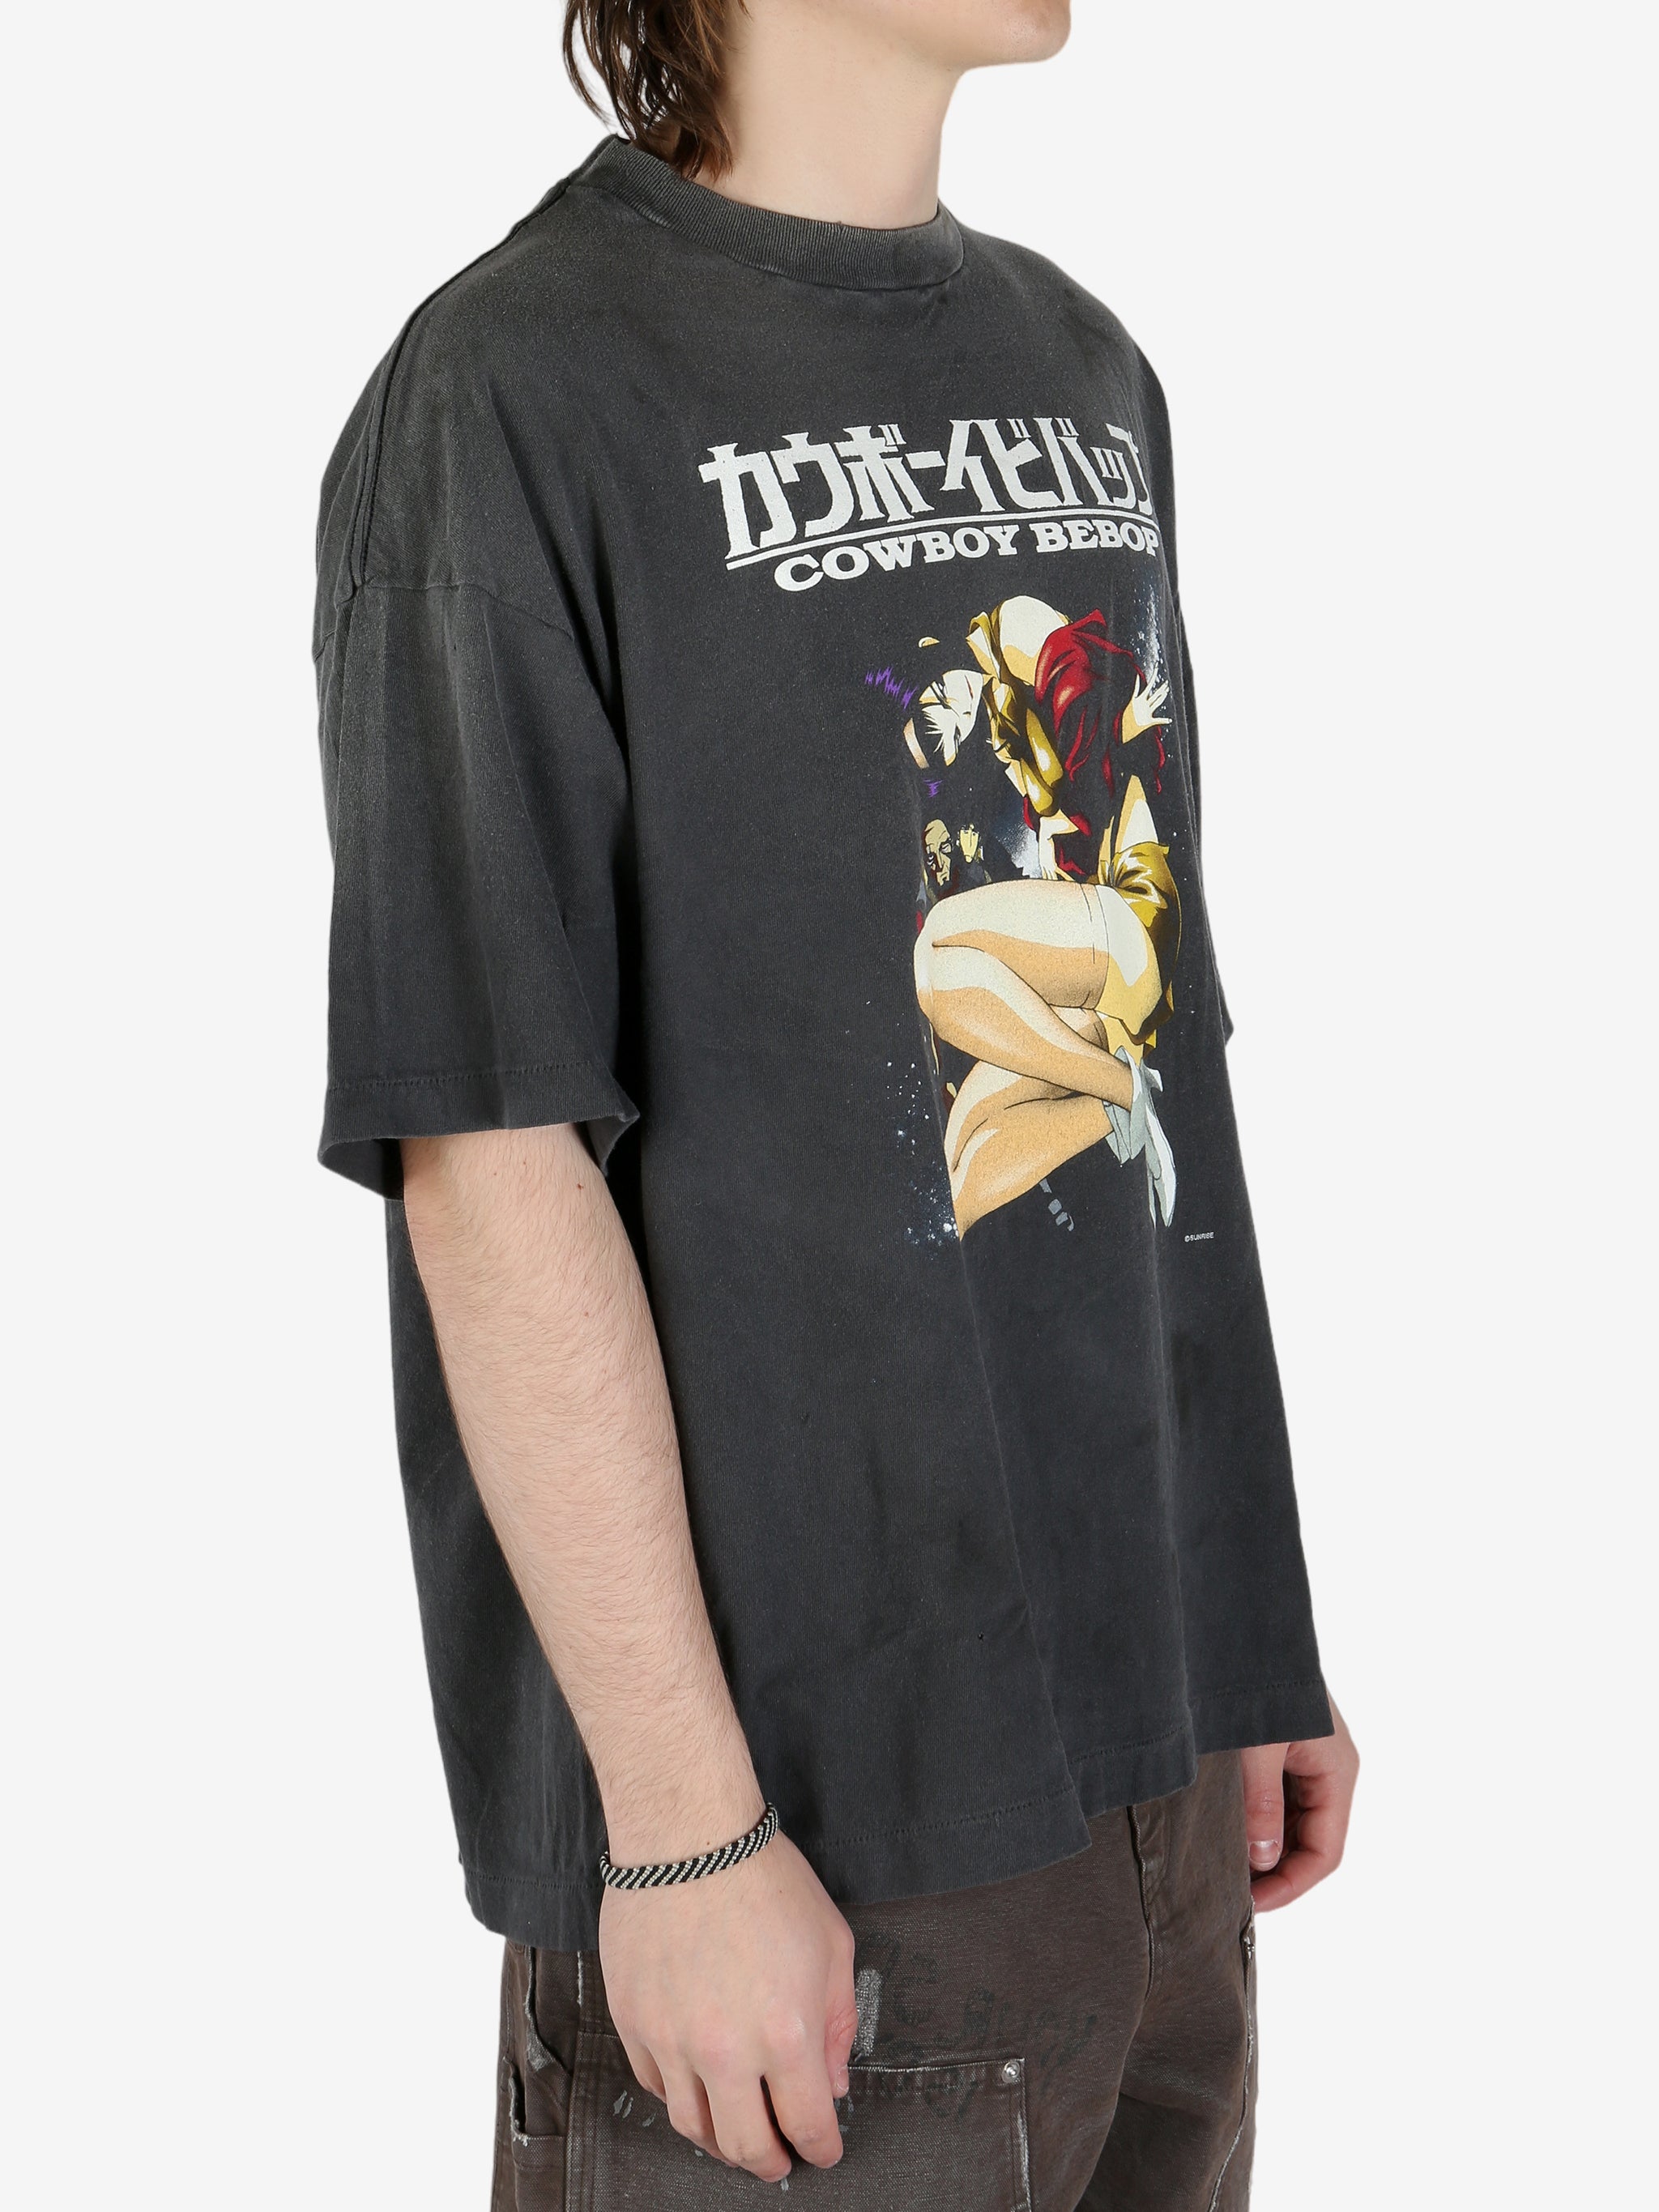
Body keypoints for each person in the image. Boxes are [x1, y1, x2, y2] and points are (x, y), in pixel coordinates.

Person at [311, 2, 1359, 2205]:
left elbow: (1149, 1046)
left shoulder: (1085, 368)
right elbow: (486, 1148)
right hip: (799, 1851)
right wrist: (684, 1826)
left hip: (1154, 1800)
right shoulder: (514, 388)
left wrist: (1245, 1631)